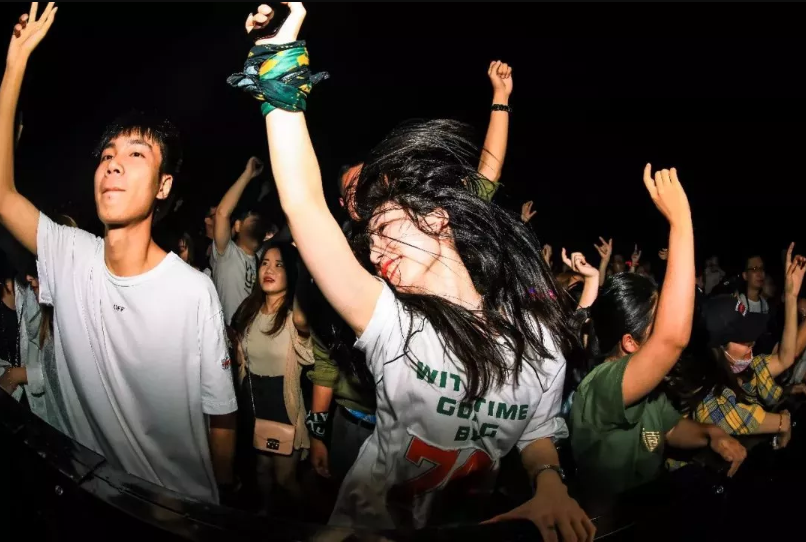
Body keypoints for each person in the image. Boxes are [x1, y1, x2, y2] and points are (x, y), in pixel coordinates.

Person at [229, 5, 594, 539]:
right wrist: (277, 58)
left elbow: (536, 432)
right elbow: (305, 204)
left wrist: (549, 483)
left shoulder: (536, 337)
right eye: (369, 239)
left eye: (384, 228)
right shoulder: (393, 323)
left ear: (438, 219)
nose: (376, 250)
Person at [0, 4, 237, 504]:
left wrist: (218, 508)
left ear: (163, 186)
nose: (113, 164)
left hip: (177, 511)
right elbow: (3, 196)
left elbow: (221, 417)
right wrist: (15, 63)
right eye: (107, 155)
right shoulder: (70, 256)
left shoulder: (193, 292)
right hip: (91, 498)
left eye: (135, 155)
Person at [307, 58, 516, 487]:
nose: (362, 193)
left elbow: (484, 180)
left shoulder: (420, 235)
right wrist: (317, 430)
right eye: (351, 190)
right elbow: (325, 353)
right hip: (354, 418)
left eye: (368, 183)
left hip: (429, 422)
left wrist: (500, 99)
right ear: (343, 205)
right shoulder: (340, 261)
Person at [570, 165, 746, 497]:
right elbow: (671, 340)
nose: (667, 322)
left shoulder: (650, 390)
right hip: (610, 518)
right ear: (629, 342)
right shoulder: (602, 386)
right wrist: (680, 224)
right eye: (657, 321)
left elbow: (670, 428)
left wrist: (710, 433)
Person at [690, 249, 806, 443]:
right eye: (743, 340)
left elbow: (785, 358)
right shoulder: (710, 404)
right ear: (719, 349)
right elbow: (747, 418)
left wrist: (791, 296)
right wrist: (783, 421)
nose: (751, 342)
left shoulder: (750, 369)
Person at [231, 241, 313, 512]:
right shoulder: (250, 311)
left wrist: (304, 273)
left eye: (279, 265)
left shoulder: (293, 318)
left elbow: (305, 336)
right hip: (254, 402)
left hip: (283, 405)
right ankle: (264, 519)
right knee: (261, 471)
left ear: (292, 272)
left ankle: (309, 523)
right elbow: (241, 357)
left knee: (285, 479)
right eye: (265, 263)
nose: (269, 270)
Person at [212, 157, 268, 325]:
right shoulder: (226, 252)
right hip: (229, 334)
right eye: (249, 214)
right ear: (237, 225)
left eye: (256, 214)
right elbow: (222, 213)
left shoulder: (264, 257)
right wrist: (248, 173)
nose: (254, 215)